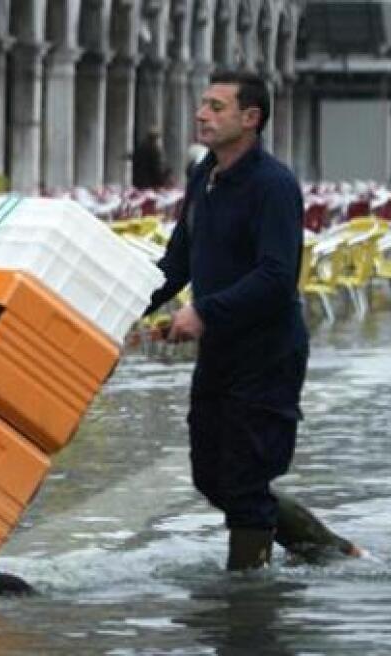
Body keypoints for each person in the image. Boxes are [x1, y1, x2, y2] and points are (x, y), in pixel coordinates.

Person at [144, 71, 358, 571]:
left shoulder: (274, 186)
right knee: (210, 476)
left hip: (268, 354)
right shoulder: (203, 177)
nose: (202, 115)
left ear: (250, 118)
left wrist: (204, 311)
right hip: (219, 351)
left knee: (243, 480)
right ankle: (328, 550)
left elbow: (277, 276)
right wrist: (127, 308)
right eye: (202, 104)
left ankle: (247, 598)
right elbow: (177, 262)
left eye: (216, 107)